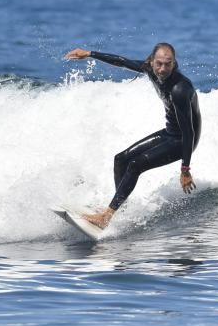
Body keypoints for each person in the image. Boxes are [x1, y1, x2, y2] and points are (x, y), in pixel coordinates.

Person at [64, 42, 201, 228]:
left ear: (174, 63)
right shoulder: (150, 69)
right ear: (151, 61)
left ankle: (106, 217)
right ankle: (117, 208)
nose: (162, 69)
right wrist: (89, 53)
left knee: (136, 165)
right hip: (170, 132)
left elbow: (188, 132)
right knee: (120, 159)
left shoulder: (180, 89)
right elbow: (122, 62)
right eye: (159, 63)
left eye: (168, 64)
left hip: (183, 141)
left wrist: (185, 169)